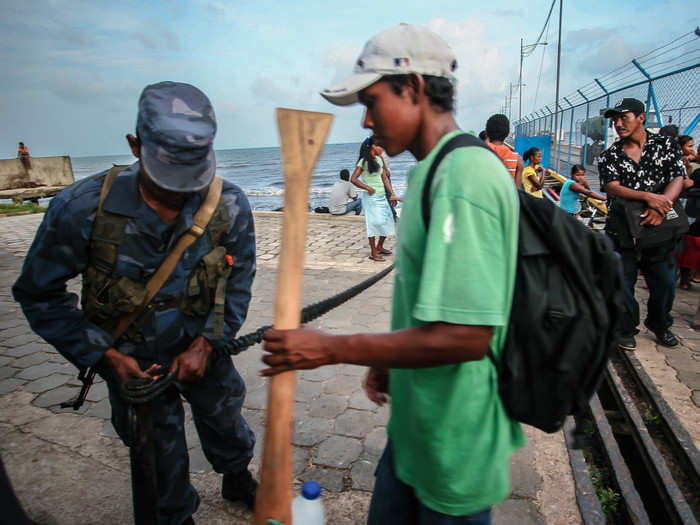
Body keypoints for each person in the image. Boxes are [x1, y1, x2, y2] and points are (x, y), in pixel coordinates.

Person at [262, 24, 523, 524]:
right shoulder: (429, 170)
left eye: (372, 101)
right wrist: (392, 358)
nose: (365, 120)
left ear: (415, 89)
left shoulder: (466, 176)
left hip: (454, 448)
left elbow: (466, 336)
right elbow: (435, 297)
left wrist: (331, 347)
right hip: (414, 429)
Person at [12, 82, 257, 525]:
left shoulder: (230, 205)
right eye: (168, 178)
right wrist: (104, 356)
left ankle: (237, 476)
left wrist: (209, 342)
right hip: (134, 366)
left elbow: (238, 278)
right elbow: (38, 293)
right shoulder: (82, 209)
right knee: (159, 465)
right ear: (134, 145)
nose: (180, 194)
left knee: (226, 422)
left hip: (205, 353)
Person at [598, 98, 686, 351]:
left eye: (623, 117)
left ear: (640, 118)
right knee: (623, 282)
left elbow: (677, 176)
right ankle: (626, 328)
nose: (618, 124)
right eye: (615, 120)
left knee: (665, 283)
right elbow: (612, 187)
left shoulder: (665, 145)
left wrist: (663, 206)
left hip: (659, 228)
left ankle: (660, 324)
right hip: (623, 229)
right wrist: (650, 198)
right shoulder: (610, 155)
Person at [351, 137, 398, 261]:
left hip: (382, 196)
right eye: (380, 146)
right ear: (373, 147)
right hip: (371, 198)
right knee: (373, 224)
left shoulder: (379, 159)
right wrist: (368, 188)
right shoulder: (363, 161)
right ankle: (373, 252)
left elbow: (385, 178)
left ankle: (380, 247)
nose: (382, 149)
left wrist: (392, 193)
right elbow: (354, 179)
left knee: (387, 221)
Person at [485, 114, 524, 188]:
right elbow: (517, 192)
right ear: (508, 133)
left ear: (486, 132)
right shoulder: (518, 160)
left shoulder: (480, 153)